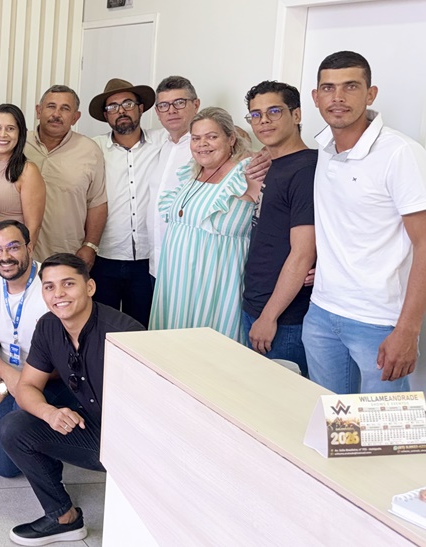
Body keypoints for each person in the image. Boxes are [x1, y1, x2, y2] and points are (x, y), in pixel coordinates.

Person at [0, 253, 144, 546]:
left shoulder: (124, 332)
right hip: (95, 427)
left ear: (90, 287)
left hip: (135, 442)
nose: (58, 294)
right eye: (49, 287)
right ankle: (63, 517)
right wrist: (49, 413)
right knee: (14, 427)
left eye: (68, 284)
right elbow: (27, 387)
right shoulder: (48, 326)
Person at [305, 51, 426, 393]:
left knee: (381, 427)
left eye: (351, 86)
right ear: (316, 97)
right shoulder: (324, 147)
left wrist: (408, 329)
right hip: (322, 313)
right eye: (328, 88)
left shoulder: (400, 153)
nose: (338, 97)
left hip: (379, 322)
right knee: (335, 422)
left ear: (370, 94)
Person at [150, 107, 261, 341]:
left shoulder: (248, 172)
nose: (202, 144)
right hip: (177, 283)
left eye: (212, 137)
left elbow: (279, 222)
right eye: (196, 138)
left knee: (208, 351)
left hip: (216, 286)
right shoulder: (192, 172)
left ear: (231, 138)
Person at [241, 81, 316, 375]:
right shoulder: (273, 164)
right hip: (257, 303)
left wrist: (270, 316)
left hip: (285, 317)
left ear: (296, 115)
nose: (264, 121)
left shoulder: (305, 170)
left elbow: (303, 253)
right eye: (256, 114)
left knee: (286, 400)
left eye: (274, 111)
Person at [0, 220, 50, 478]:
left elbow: (63, 362)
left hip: (50, 381)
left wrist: (5, 387)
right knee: (4, 466)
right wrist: (9, 379)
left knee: (23, 439)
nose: (4, 257)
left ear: (29, 248)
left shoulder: (50, 286)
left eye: (13, 247)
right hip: (12, 378)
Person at [88, 79, 162, 325]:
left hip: (148, 259)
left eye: (128, 103)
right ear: (105, 115)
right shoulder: (92, 147)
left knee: (142, 327)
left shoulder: (164, 141)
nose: (121, 111)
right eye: (112, 107)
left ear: (140, 108)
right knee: (102, 324)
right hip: (105, 255)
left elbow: (212, 130)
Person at [23, 85, 107, 266]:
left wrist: (90, 246)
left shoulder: (90, 151)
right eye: (51, 106)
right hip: (18, 252)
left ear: (76, 117)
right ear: (38, 111)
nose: (56, 114)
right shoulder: (18, 143)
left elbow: (97, 203)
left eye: (65, 108)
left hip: (66, 254)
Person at [149, 76, 201, 279]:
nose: (171, 110)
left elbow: (237, 139)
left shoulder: (206, 145)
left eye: (179, 102)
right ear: (157, 112)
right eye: (164, 105)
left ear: (196, 105)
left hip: (188, 266)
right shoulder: (157, 142)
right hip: (155, 263)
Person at [0, 103, 45, 249]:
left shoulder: (28, 171)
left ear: (20, 134)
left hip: (7, 255)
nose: (3, 134)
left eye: (10, 129)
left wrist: (23, 255)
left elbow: (33, 228)